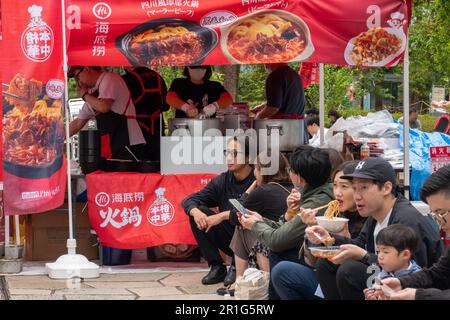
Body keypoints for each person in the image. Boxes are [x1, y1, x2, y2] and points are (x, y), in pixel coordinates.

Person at [308, 157, 443, 300]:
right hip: (385, 275)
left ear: (386, 188)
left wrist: (364, 256)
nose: (357, 196)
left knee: (350, 271)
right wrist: (329, 238)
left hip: (418, 289)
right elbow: (359, 245)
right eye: (354, 188)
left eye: (364, 188)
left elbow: (410, 271)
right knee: (326, 264)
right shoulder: (375, 214)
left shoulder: (406, 220)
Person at [239, 146, 334, 299]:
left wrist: (256, 224)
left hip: (326, 274)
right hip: (322, 265)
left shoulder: (318, 202)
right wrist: (281, 215)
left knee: (279, 257)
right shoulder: (313, 195)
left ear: (300, 179)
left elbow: (278, 240)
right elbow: (287, 230)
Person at [270, 161, 367, 300]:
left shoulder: (367, 217)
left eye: (344, 186)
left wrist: (346, 240)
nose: (337, 193)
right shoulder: (333, 215)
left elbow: (361, 264)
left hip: (349, 284)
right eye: (335, 185)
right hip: (326, 275)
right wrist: (311, 230)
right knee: (281, 268)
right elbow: (312, 262)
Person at [216, 152, 293, 296]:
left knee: (242, 225)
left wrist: (250, 189)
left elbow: (235, 215)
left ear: (263, 172)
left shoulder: (262, 191)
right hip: (288, 241)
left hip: (274, 245)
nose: (254, 173)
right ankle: (240, 281)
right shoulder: (291, 188)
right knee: (246, 223)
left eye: (256, 169)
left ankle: (241, 282)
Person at [181, 136, 255, 286]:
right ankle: (217, 266)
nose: (229, 157)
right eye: (227, 153)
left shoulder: (257, 179)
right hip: (229, 238)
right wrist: (195, 212)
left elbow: (249, 215)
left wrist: (222, 216)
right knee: (198, 212)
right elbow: (189, 200)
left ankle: (237, 264)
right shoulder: (222, 181)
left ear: (248, 158)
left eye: (234, 153)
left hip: (253, 242)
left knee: (244, 221)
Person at [372, 164, 450, 300]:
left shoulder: (406, 219)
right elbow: (438, 274)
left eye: (441, 213)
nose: (439, 222)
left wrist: (418, 295)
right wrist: (401, 282)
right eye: (434, 214)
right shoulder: (372, 219)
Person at [68, 66, 146, 160]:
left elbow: (104, 106)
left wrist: (84, 95)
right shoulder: (93, 92)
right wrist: (56, 139)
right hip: (113, 144)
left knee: (126, 174)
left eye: (78, 76)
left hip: (129, 143)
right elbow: (77, 123)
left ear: (87, 69)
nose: (79, 82)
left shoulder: (109, 78)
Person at [121, 66, 169, 161]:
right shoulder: (158, 77)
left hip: (136, 130)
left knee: (138, 165)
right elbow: (166, 106)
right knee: (157, 165)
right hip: (157, 128)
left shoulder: (127, 79)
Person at [364, 224, 422, 299]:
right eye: (378, 251)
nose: (380, 256)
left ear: (405, 254)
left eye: (385, 252)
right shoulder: (382, 274)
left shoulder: (418, 278)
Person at [166, 66, 233, 118]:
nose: (197, 69)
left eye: (202, 67)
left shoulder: (214, 86)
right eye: (194, 66)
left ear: (207, 68)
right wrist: (186, 108)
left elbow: (228, 98)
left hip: (209, 129)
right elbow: (169, 97)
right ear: (187, 67)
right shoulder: (179, 83)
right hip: (183, 129)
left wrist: (213, 106)